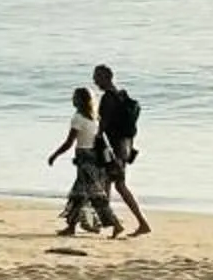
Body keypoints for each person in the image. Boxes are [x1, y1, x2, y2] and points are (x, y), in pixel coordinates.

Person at [47, 85, 119, 236]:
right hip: (93, 158)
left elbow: (69, 142)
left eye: (74, 97)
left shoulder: (78, 118)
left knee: (96, 196)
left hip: (85, 159)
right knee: (78, 194)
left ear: (80, 100)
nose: (72, 99)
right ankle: (71, 227)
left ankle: (116, 224)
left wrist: (54, 155)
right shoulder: (94, 117)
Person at [93, 60, 152, 238]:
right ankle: (112, 223)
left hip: (115, 148)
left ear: (107, 78)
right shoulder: (122, 96)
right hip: (125, 146)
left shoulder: (108, 98)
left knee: (116, 185)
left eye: (97, 78)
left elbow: (103, 124)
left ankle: (137, 223)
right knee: (111, 184)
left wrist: (95, 138)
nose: (95, 82)